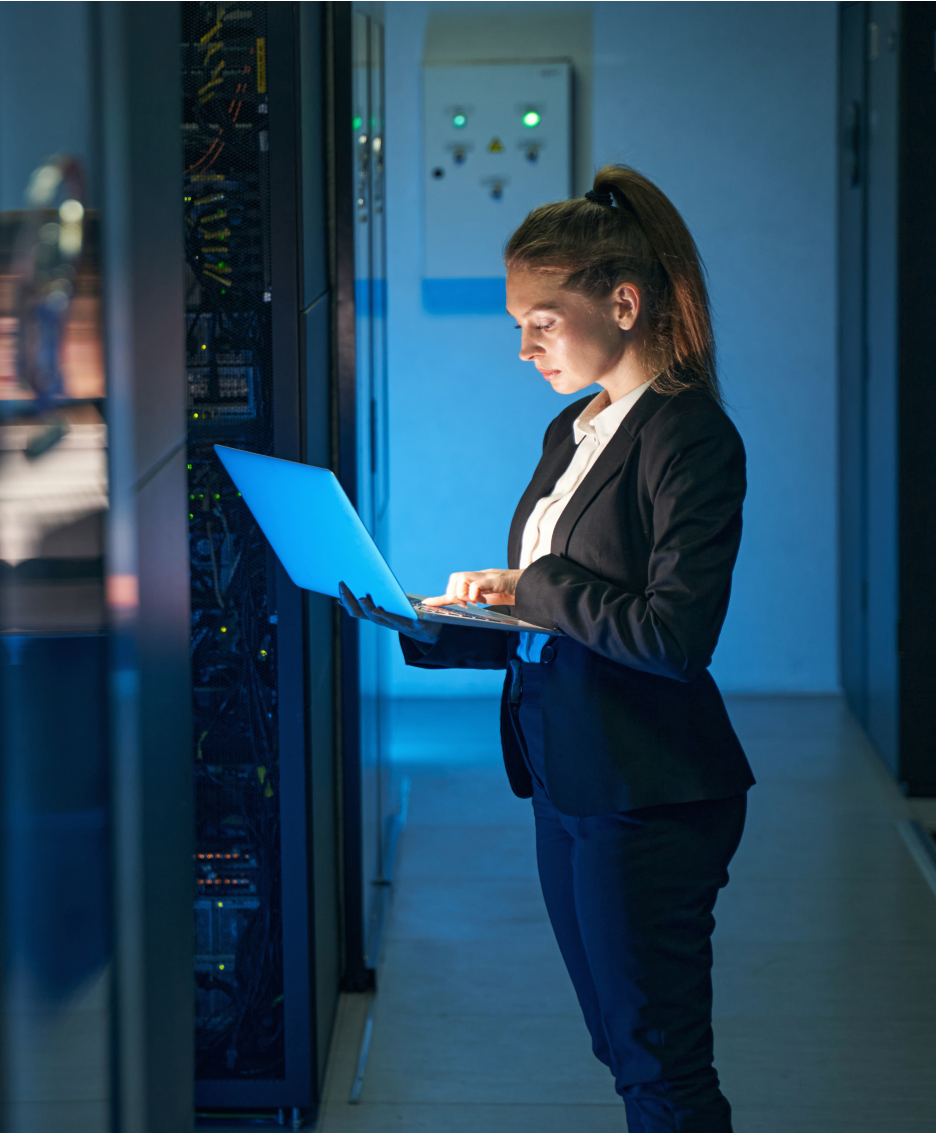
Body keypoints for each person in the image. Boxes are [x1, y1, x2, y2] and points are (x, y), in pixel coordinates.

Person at [339, 164, 754, 1133]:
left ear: (623, 300)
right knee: (623, 1047)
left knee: (659, 1066)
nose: (524, 347)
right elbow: (559, 627)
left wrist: (531, 586)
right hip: (569, 772)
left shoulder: (691, 437)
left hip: (649, 790)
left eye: (541, 319)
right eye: (516, 322)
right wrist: (432, 625)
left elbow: (672, 635)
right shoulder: (574, 427)